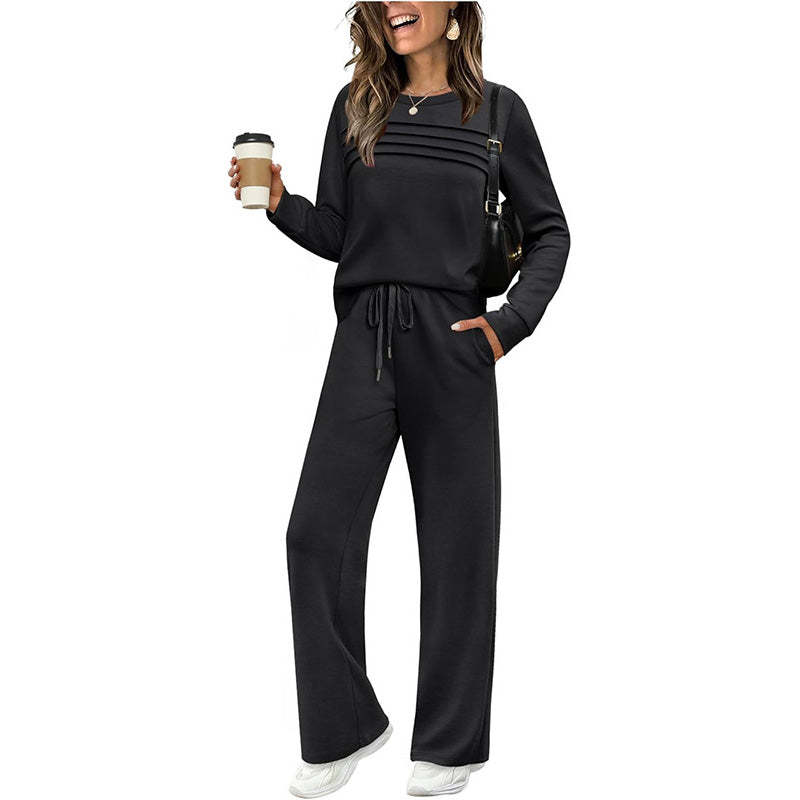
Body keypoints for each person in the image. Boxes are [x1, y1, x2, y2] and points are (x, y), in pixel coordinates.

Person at [227, 2, 569, 796]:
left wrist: (507, 326)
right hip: (363, 343)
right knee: (314, 534)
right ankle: (343, 725)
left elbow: (550, 231)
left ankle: (451, 744)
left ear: (455, 10)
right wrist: (278, 204)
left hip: (454, 342)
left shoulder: (499, 113)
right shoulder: (356, 107)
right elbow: (340, 232)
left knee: (458, 547)